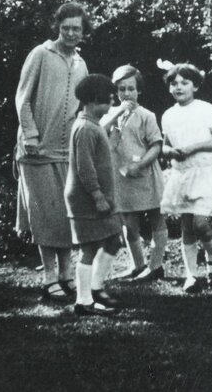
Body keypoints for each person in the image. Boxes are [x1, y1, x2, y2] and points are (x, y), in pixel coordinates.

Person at [15, 2, 90, 302]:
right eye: (66, 27)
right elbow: (22, 99)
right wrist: (30, 135)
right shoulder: (40, 54)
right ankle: (49, 278)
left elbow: (82, 106)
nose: (71, 33)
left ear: (84, 32)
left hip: (66, 150)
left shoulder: (81, 64)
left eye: (77, 29)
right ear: (57, 27)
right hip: (36, 149)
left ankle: (66, 275)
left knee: (66, 214)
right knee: (45, 213)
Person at [159, 62, 212, 293]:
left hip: (206, 173)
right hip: (183, 174)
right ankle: (191, 275)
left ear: (195, 86)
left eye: (185, 83)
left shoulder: (206, 110)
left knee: (200, 223)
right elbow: (164, 146)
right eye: (174, 83)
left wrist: (194, 147)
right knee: (186, 227)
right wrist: (170, 152)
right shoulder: (168, 115)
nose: (179, 87)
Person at [101, 64, 168, 282]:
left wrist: (140, 165)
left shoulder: (147, 115)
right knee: (128, 225)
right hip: (122, 178)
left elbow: (156, 146)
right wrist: (119, 111)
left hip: (146, 175)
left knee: (157, 220)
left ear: (139, 90)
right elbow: (100, 133)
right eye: (122, 89)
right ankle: (138, 265)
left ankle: (156, 266)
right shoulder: (110, 113)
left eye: (131, 88)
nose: (127, 93)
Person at [66, 73, 123, 316]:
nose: (111, 105)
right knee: (89, 249)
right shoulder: (86, 128)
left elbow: (99, 156)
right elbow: (85, 166)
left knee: (113, 240)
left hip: (99, 197)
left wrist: (112, 142)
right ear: (92, 101)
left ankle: (96, 288)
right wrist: (97, 195)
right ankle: (83, 301)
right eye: (107, 101)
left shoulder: (93, 125)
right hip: (87, 199)